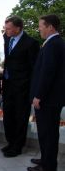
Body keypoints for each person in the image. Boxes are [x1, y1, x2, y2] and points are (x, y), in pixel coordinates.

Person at [28, 15, 65, 171]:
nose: (39, 28)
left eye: (41, 26)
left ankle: (48, 165)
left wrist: (38, 96)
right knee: (46, 132)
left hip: (48, 99)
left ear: (51, 27)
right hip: (52, 98)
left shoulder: (52, 45)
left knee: (48, 134)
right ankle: (45, 159)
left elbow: (47, 73)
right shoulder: (56, 43)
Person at [1, 16, 39, 157]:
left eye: (9, 28)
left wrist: (32, 89)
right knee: (8, 116)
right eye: (5, 28)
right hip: (7, 85)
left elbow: (34, 68)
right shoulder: (7, 38)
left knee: (20, 118)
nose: (6, 31)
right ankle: (10, 142)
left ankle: (17, 147)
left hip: (22, 88)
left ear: (18, 28)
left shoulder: (31, 43)